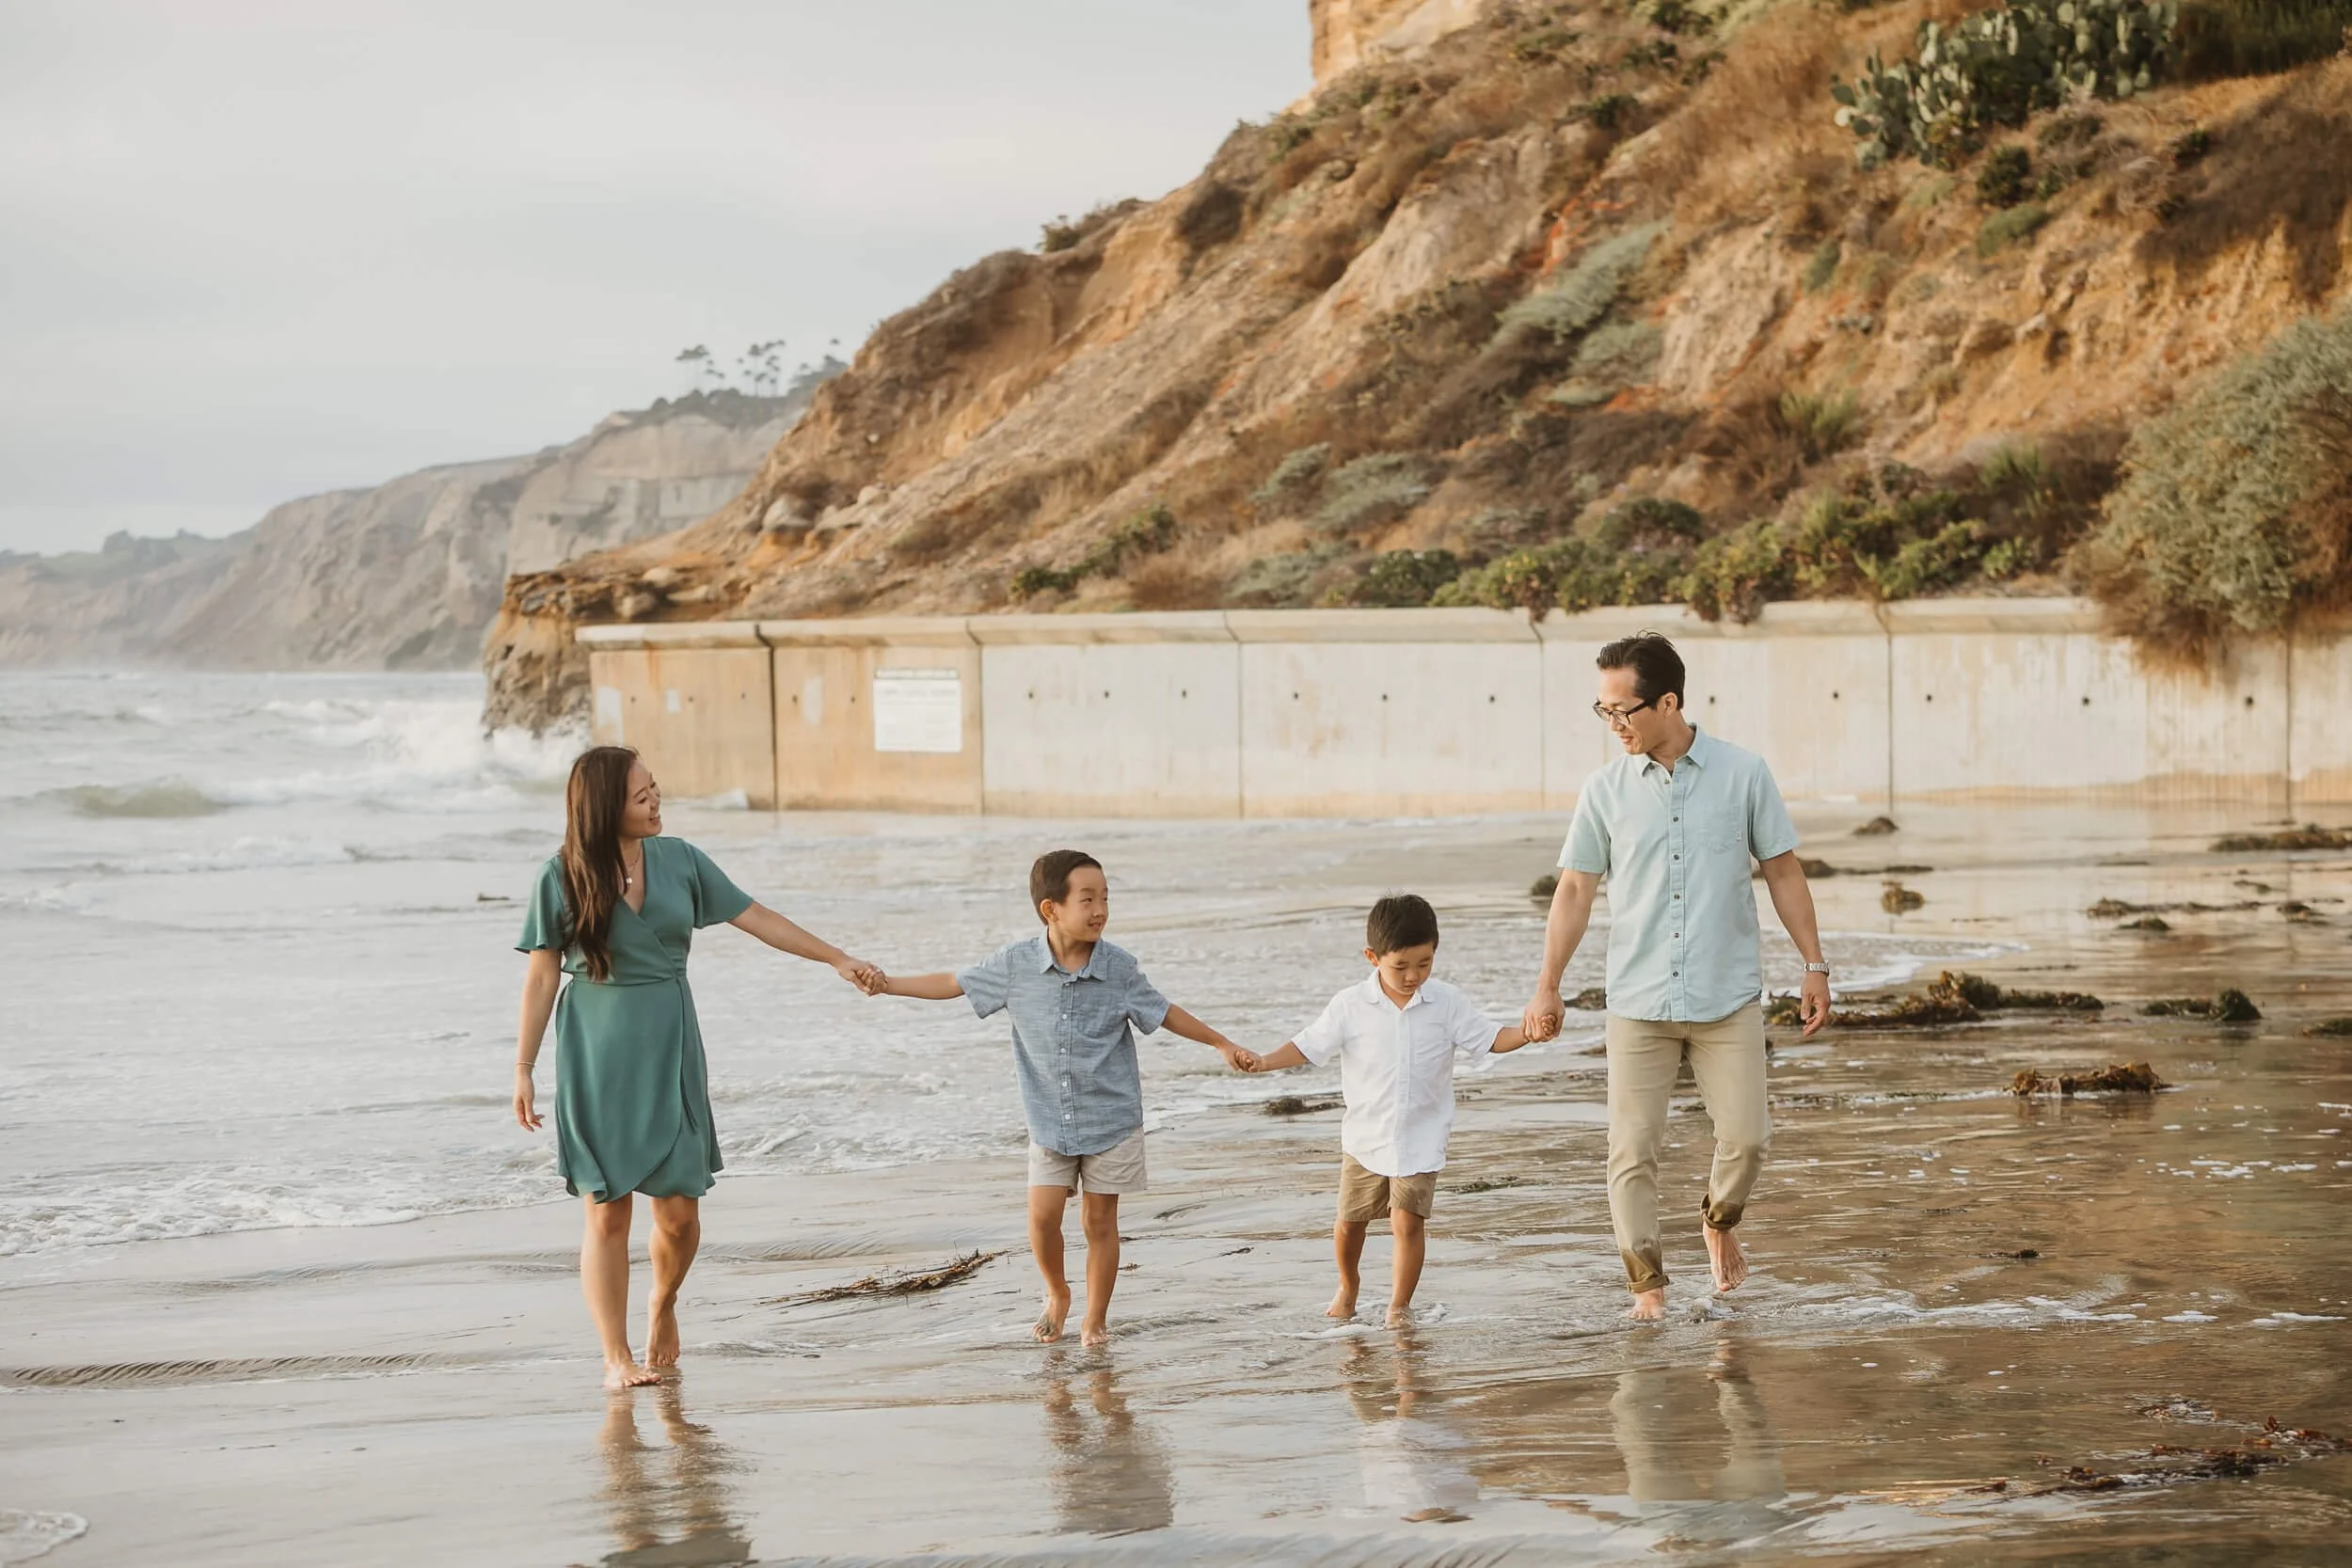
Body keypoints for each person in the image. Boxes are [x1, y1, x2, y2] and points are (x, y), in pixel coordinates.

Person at [514, 745, 880, 1389]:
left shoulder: (681, 860)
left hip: (671, 1042)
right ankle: (615, 1356)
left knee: (680, 1214)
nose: (657, 801)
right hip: (595, 1053)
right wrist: (523, 1065)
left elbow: (756, 916)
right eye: (641, 795)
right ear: (604, 809)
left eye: (655, 788)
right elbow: (542, 973)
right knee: (607, 1209)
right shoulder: (561, 876)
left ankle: (664, 1301)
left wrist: (836, 958)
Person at [1519, 632, 1830, 1323]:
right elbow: (1573, 890)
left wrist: (1814, 965)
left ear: (1668, 701)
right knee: (1631, 1152)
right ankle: (1648, 1291)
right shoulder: (1603, 791)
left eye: (1622, 710)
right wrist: (1549, 981)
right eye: (1602, 711)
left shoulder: (1744, 773)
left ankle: (1718, 1219)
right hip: (1637, 1001)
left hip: (1727, 998)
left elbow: (1782, 870)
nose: (1614, 725)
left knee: (1749, 1137)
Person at [860, 848, 1254, 1347]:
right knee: (1043, 1218)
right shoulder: (1014, 965)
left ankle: (1095, 1318)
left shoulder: (1119, 968)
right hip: (1049, 1120)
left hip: (1111, 1119)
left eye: (1105, 898)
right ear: (1052, 909)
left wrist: (1222, 1042)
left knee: (1099, 1222)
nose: (1100, 910)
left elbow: (1165, 1012)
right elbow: (953, 983)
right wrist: (889, 984)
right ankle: (1057, 1292)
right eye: (1087, 899)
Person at [1247, 894, 1528, 1327]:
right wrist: (1265, 1061)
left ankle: (1399, 1305)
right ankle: (1348, 1285)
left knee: (1407, 1222)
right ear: (1372, 957)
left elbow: (1490, 1038)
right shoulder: (1349, 1005)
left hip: (1422, 1136)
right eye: (1401, 966)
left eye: (1424, 963)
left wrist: (1529, 1032)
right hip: (1365, 1137)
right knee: (1349, 1224)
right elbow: (1308, 1044)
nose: (1413, 976)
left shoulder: (1447, 1002)